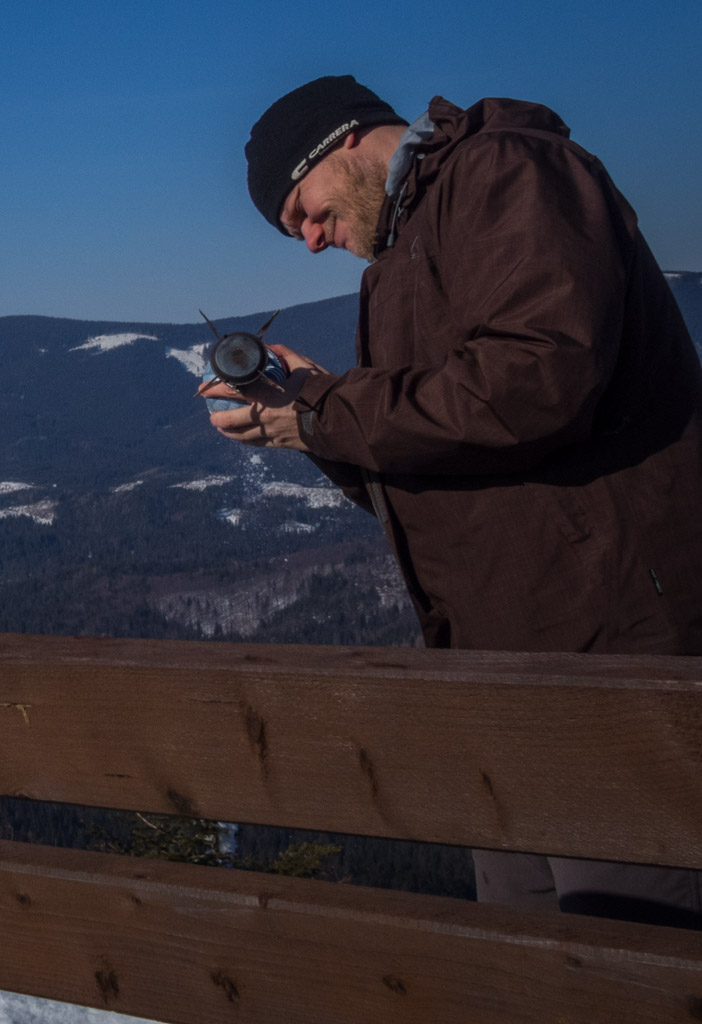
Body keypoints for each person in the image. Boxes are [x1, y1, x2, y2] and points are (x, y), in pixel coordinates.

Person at [202, 74, 702, 929]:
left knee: (635, 961)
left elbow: (538, 378)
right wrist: (313, 421)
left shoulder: (506, 172)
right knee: (527, 966)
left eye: (305, 212)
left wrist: (328, 413)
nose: (314, 241)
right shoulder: (394, 267)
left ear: (346, 143)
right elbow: (436, 479)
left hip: (606, 660)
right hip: (504, 673)